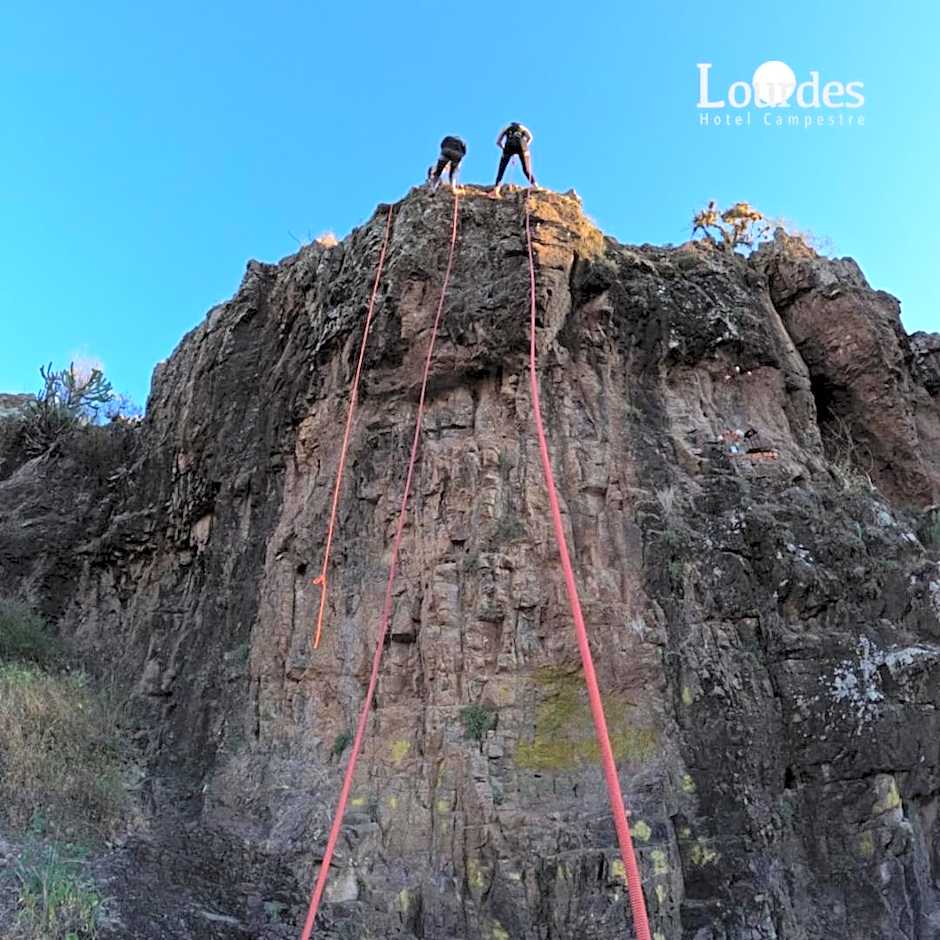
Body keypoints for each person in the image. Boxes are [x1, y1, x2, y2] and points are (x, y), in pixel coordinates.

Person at [491, 122, 535, 197]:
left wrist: (504, 149)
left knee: (501, 169)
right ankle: (535, 185)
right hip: (522, 144)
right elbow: (530, 137)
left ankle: (496, 190)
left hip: (509, 145)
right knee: (526, 169)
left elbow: (498, 142)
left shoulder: (506, 127)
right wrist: (525, 146)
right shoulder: (523, 127)